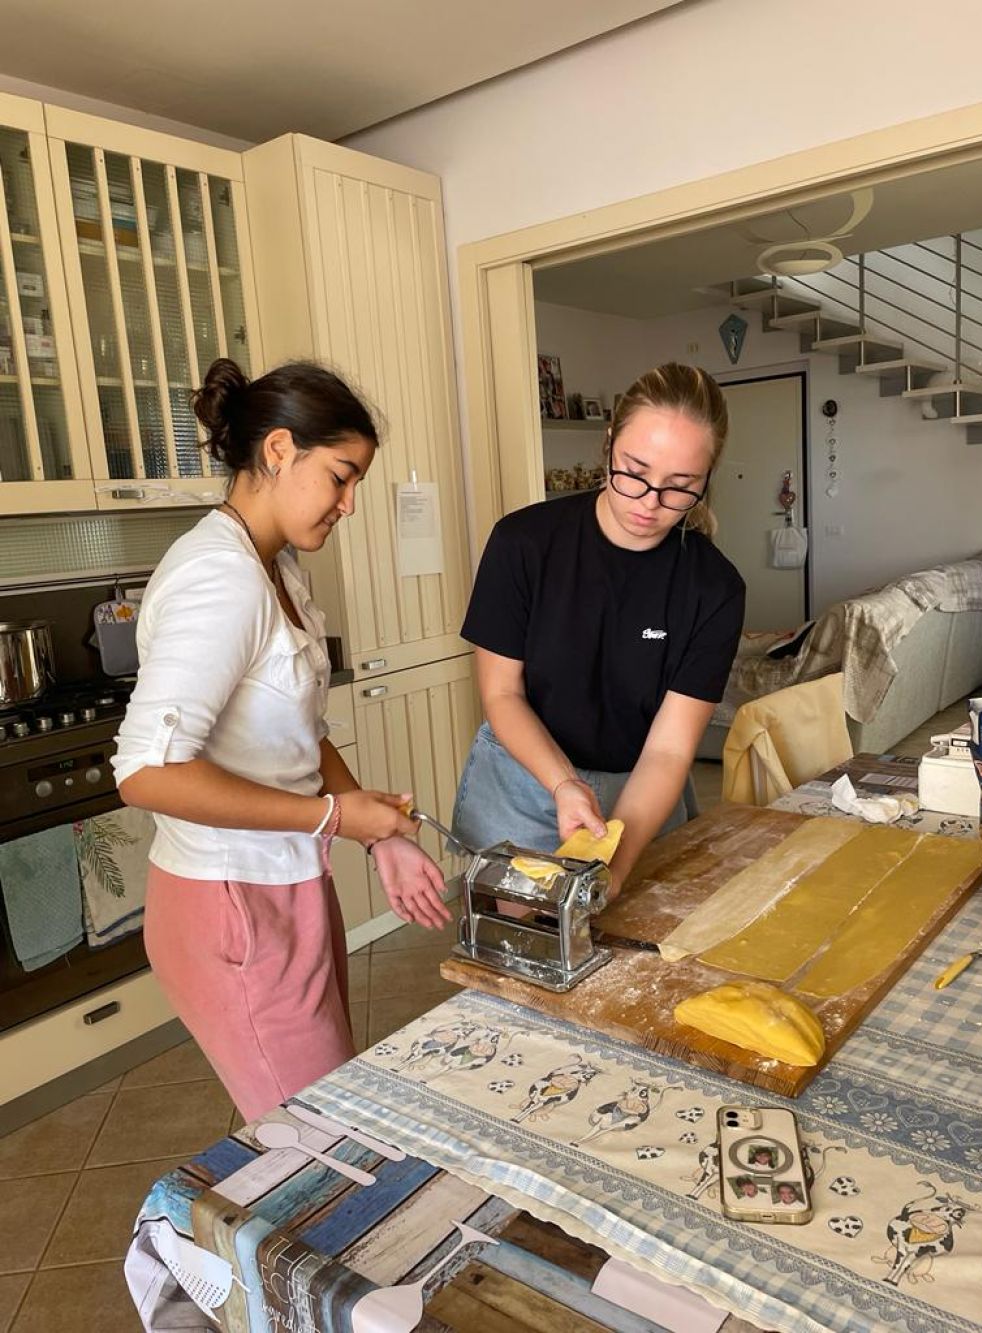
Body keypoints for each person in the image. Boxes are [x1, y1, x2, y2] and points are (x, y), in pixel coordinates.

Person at [113, 358, 450, 1121]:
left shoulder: (277, 569)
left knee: (332, 1109)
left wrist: (374, 831)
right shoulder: (219, 578)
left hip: (289, 883)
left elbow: (302, 731)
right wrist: (337, 819)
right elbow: (145, 773)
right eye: (340, 475)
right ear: (276, 452)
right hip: (231, 904)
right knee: (321, 1140)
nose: (350, 503)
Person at [452, 362, 745, 895]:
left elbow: (669, 752)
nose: (649, 503)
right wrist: (564, 783)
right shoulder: (523, 545)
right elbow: (501, 693)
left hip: (642, 791)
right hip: (522, 777)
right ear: (608, 443)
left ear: (707, 480)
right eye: (634, 470)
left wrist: (616, 866)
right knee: (525, 952)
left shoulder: (713, 588)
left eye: (680, 488)